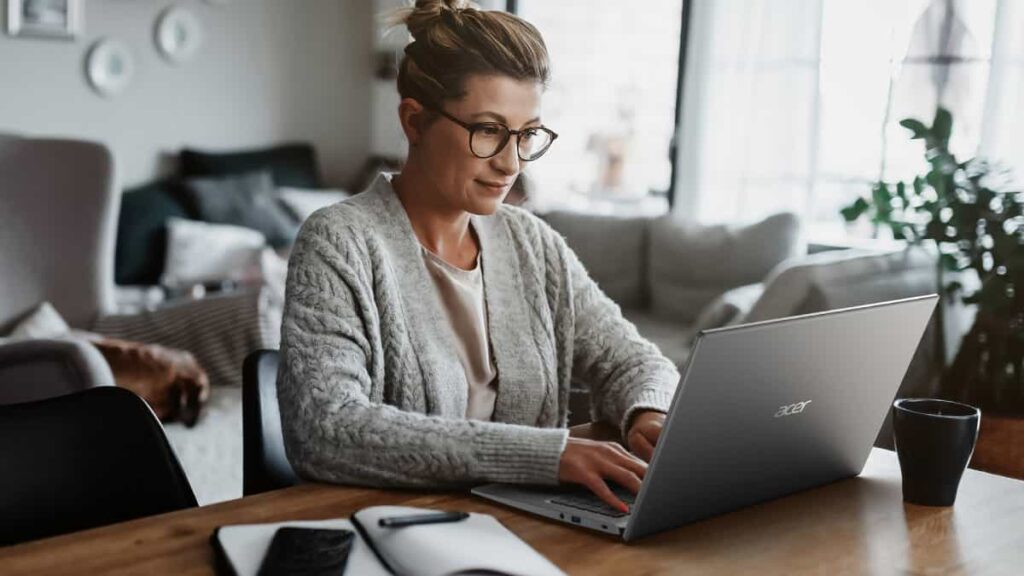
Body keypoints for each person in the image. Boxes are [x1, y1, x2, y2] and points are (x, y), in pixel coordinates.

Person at [277, 0, 679, 514]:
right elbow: (326, 428)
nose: (511, 163)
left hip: (525, 522)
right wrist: (548, 456)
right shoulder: (339, 242)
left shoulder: (533, 245)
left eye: (527, 134)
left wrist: (648, 415)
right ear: (414, 121)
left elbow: (635, 360)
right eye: (488, 130)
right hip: (393, 531)